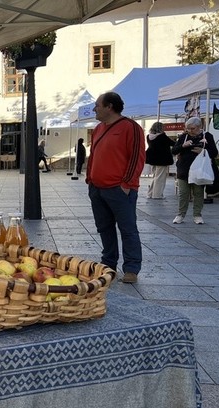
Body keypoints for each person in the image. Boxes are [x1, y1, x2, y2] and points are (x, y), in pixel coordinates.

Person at [86, 92, 145, 284]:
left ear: (109, 106)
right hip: (98, 188)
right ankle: (108, 263)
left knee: (127, 229)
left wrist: (127, 184)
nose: (95, 109)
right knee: (104, 228)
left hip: (119, 189)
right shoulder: (98, 129)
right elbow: (93, 155)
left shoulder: (131, 128)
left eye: (97, 105)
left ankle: (131, 268)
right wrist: (90, 179)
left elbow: (137, 158)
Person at [171, 117, 219, 225]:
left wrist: (203, 150)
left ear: (199, 127)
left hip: (199, 169)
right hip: (184, 169)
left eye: (192, 128)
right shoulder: (184, 136)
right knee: (183, 193)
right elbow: (174, 150)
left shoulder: (207, 136)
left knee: (198, 193)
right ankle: (180, 215)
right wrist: (183, 145)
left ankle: (197, 215)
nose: (190, 131)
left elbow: (214, 152)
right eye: (188, 128)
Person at [145, 122, 174, 200]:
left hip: (152, 159)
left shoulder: (148, 136)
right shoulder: (162, 136)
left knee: (155, 177)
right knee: (160, 178)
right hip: (162, 159)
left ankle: (150, 193)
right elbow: (172, 143)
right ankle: (157, 195)